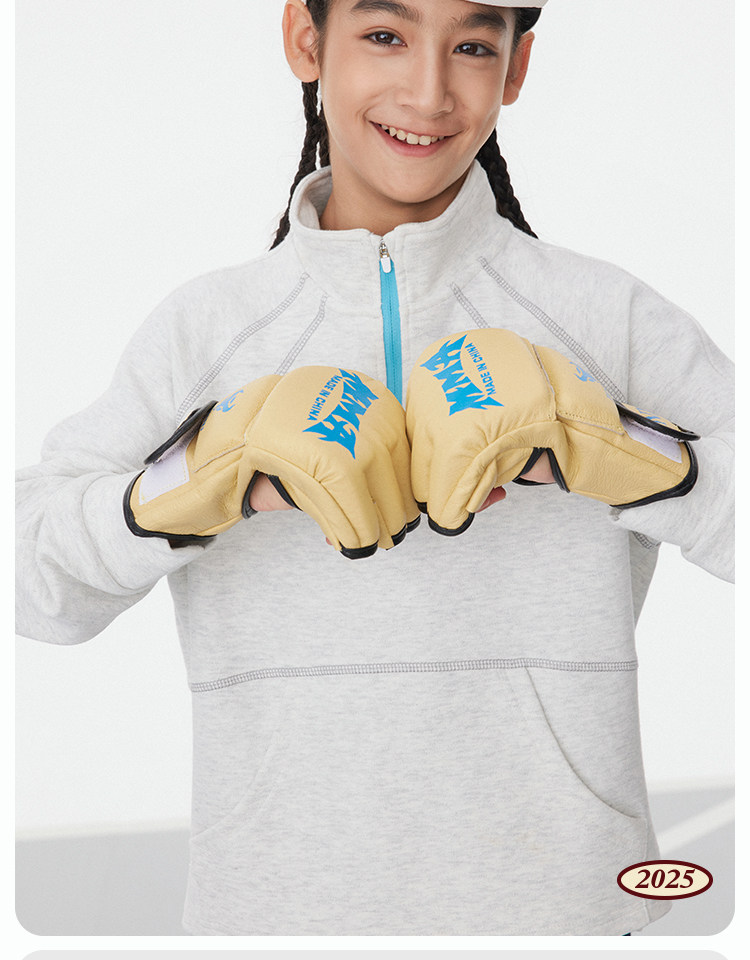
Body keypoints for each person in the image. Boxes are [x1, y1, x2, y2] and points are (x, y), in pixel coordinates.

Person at [15, 0, 734, 937]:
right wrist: (195, 480)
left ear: (516, 68)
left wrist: (638, 456)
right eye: (386, 35)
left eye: (471, 45)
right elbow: (31, 582)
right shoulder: (209, 329)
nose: (429, 92)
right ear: (306, 41)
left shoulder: (602, 315)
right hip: (276, 914)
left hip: (567, 909)